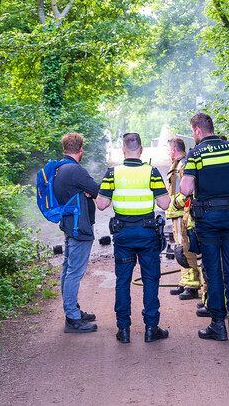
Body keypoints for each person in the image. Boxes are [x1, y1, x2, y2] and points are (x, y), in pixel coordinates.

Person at [180, 112, 229, 341]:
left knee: (213, 271)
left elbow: (185, 189)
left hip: (208, 220)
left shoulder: (196, 154)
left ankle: (217, 325)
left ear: (197, 131)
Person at [96, 133, 171, 344]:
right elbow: (164, 204)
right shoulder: (152, 172)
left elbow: (101, 204)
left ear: (123, 149)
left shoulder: (113, 173)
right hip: (147, 234)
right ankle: (151, 328)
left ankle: (124, 330)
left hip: (123, 235)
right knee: (150, 280)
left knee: (123, 281)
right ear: (141, 150)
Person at [53, 132, 101, 333]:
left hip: (68, 223)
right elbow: (97, 190)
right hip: (79, 227)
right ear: (80, 150)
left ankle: (71, 310)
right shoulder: (75, 171)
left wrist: (85, 192)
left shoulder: (59, 169)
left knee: (68, 268)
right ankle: (72, 318)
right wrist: (89, 192)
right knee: (74, 271)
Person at [166, 137, 202, 300]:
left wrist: (176, 203)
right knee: (180, 248)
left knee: (186, 249)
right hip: (177, 213)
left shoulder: (184, 165)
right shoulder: (177, 164)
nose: (168, 153)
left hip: (183, 213)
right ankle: (185, 281)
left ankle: (192, 284)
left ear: (174, 150)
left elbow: (189, 190)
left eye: (169, 150)